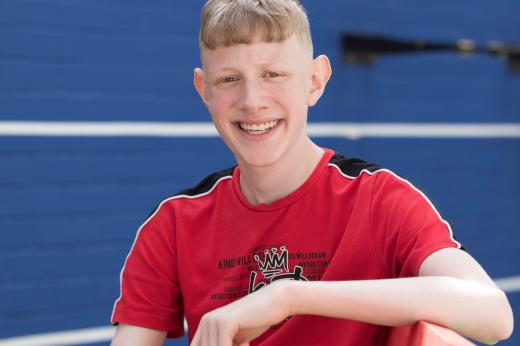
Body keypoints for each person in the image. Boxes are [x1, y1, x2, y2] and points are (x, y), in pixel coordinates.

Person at [110, 0, 514, 345]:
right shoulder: (173, 225)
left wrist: (290, 296)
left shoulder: (377, 199)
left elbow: (492, 314)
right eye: (229, 79)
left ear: (315, 81)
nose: (252, 101)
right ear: (204, 91)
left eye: (273, 75)